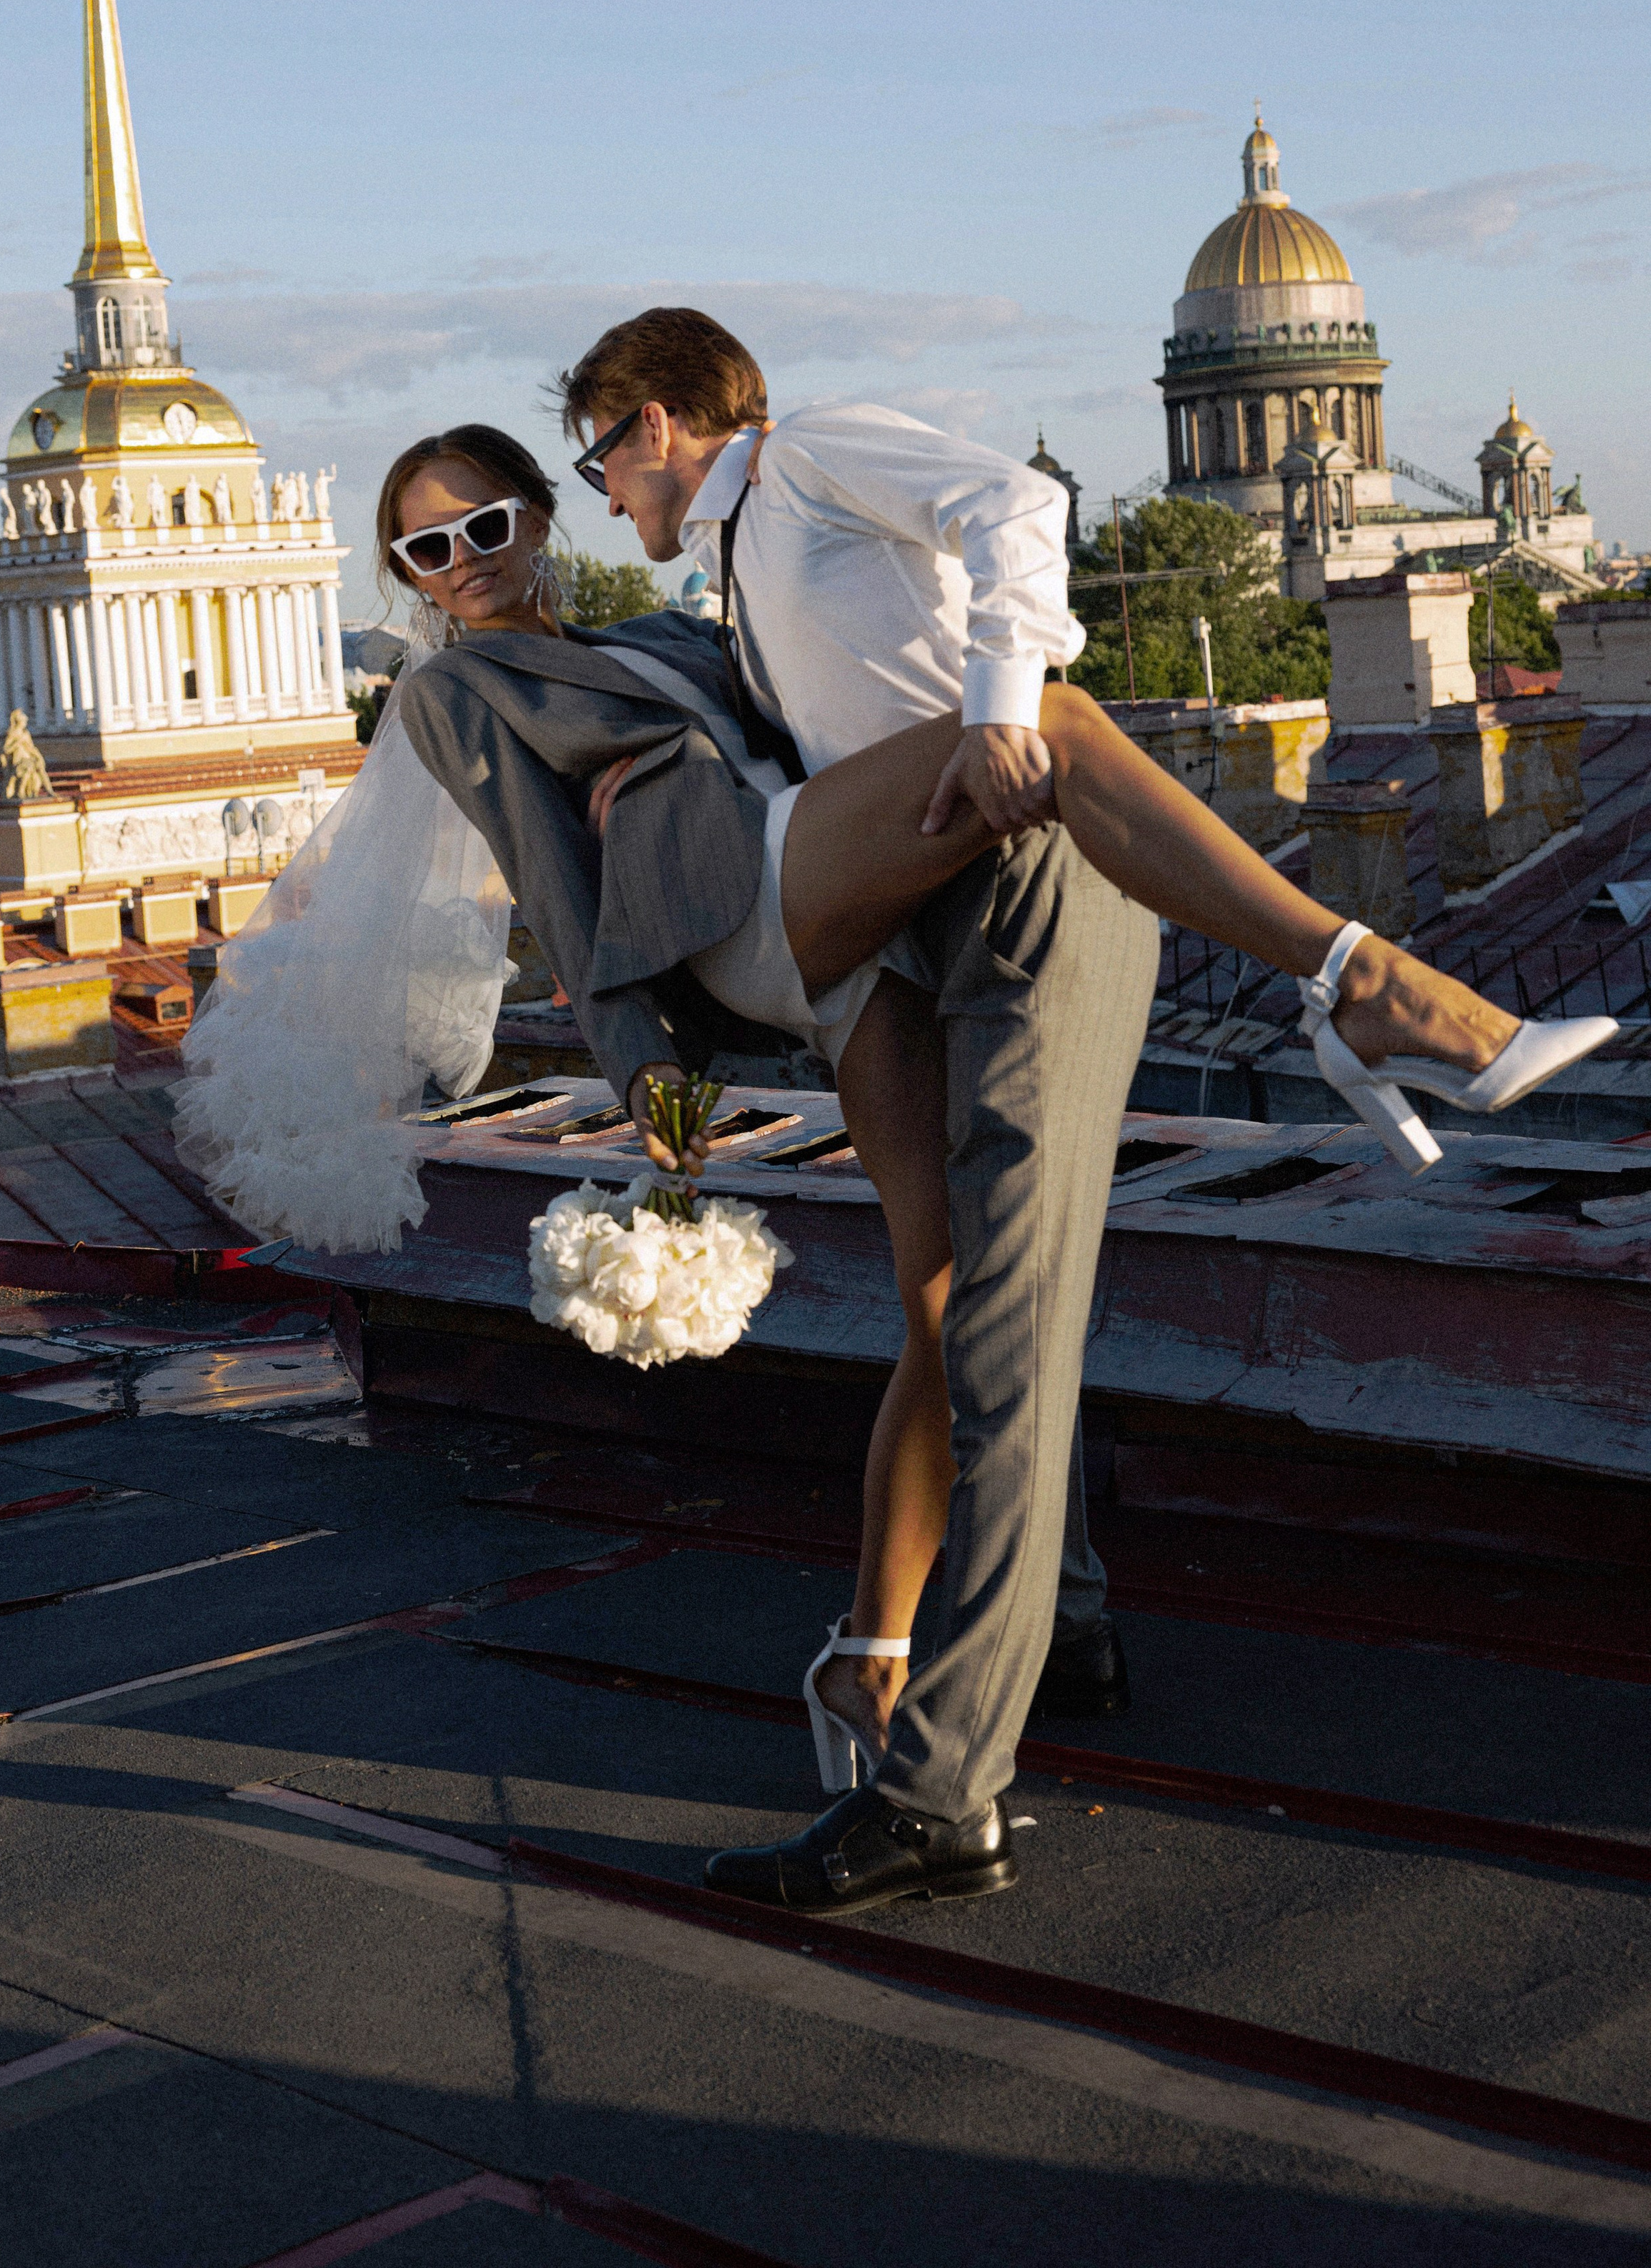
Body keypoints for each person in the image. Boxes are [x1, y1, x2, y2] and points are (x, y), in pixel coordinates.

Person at [547, 307, 1610, 1918]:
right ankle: (1072, 1629)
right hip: (952, 920)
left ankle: (939, 1794)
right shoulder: (740, 567)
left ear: (657, 422)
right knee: (984, 1300)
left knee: (1004, 1334)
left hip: (1042, 887)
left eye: (598, 463)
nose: (607, 497)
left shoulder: (807, 453)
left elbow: (1017, 507)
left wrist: (995, 705)